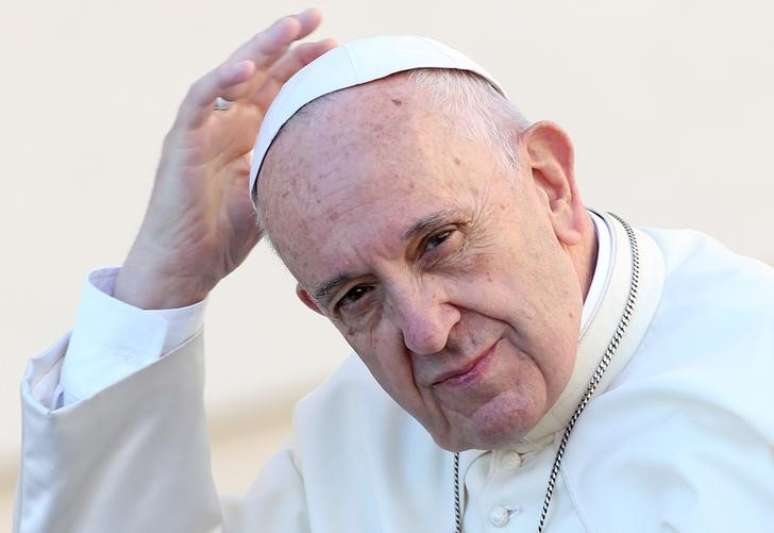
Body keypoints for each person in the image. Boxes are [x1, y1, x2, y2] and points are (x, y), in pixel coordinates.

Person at [13, 8, 774, 533]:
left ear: (549, 184)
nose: (424, 329)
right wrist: (163, 280)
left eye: (438, 241)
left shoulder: (753, 370)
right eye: (357, 295)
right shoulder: (346, 440)